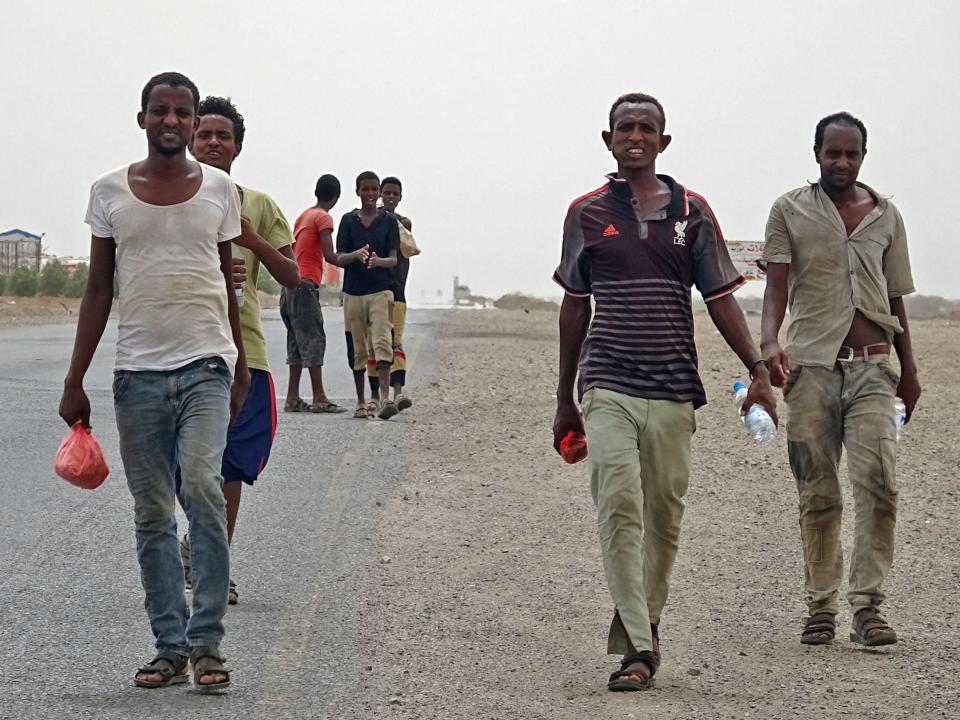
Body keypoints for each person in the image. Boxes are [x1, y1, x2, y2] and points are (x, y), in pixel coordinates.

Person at [552, 92, 777, 692]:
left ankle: (644, 622)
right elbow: (574, 310)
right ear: (608, 140)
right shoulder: (584, 212)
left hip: (675, 385)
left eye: (645, 128)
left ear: (662, 142)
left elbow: (721, 298)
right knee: (619, 507)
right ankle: (641, 650)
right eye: (623, 127)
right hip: (607, 382)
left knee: (664, 516)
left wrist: (756, 367)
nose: (634, 135)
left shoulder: (693, 212)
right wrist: (563, 398)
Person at [59, 71, 246, 691]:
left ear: (194, 123)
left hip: (206, 367)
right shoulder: (109, 191)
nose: (172, 121)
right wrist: (75, 377)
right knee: (152, 512)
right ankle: (169, 645)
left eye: (182, 112)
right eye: (160, 111)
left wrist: (239, 360)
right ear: (142, 119)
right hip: (136, 373)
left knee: (202, 488)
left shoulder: (220, 190)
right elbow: (96, 289)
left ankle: (207, 643)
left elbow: (224, 279)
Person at [760, 111, 920, 647]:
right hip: (810, 369)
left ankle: (868, 607)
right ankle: (821, 606)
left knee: (880, 485)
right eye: (833, 153)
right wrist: (769, 344)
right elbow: (776, 288)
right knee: (818, 489)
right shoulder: (789, 211)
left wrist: (910, 372)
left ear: (863, 156)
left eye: (852, 154)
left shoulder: (886, 216)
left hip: (875, 367)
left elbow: (894, 294)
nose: (842, 163)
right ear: (817, 153)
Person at [183, 95, 302, 606]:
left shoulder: (260, 205)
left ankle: (213, 563)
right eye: (204, 134)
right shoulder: (164, 197)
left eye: (223, 136)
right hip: (179, 349)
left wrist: (252, 242)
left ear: (237, 147)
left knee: (231, 467)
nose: (212, 143)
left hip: (243, 353)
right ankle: (197, 547)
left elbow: (294, 276)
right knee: (190, 467)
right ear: (190, 138)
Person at [336, 171, 400, 419]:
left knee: (382, 342)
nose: (371, 194)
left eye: (375, 190)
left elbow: (393, 258)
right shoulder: (348, 220)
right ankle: (361, 402)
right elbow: (339, 257)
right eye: (366, 190)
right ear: (358, 192)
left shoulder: (388, 222)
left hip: (381, 291)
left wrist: (377, 261)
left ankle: (384, 399)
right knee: (357, 346)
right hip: (354, 292)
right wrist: (357, 255)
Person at [284, 174, 349, 415]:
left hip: (290, 283)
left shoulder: (304, 215)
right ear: (336, 197)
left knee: (295, 340)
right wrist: (357, 256)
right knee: (313, 338)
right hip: (305, 285)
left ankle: (292, 396)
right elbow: (331, 256)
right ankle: (319, 397)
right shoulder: (323, 217)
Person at [367, 175, 418, 410]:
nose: (390, 197)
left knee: (395, 341)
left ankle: (397, 392)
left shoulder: (403, 223)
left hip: (396, 291)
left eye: (394, 194)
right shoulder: (368, 220)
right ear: (379, 194)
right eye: (386, 193)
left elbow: (405, 254)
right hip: (374, 290)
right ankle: (376, 395)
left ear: (400, 197)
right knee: (375, 344)